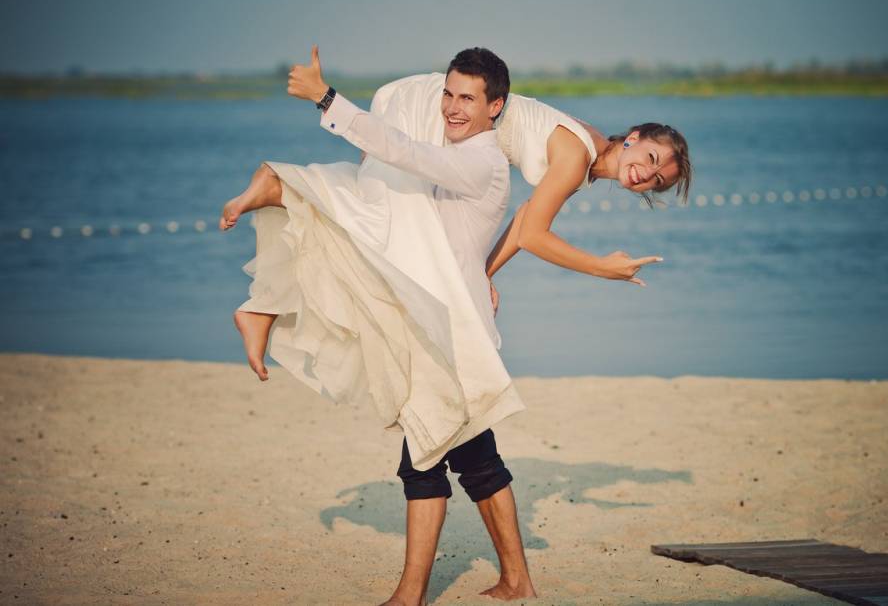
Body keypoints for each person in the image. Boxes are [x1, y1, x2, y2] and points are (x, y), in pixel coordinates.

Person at [220, 47, 536, 603]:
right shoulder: (454, 149)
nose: (453, 107)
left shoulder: (480, 164)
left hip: (450, 339)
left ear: (496, 106)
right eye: (448, 94)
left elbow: (403, 150)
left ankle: (413, 595)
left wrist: (326, 98)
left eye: (467, 99)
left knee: (427, 463)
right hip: (433, 327)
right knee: (475, 460)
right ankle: (516, 581)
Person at [355, 73, 693, 294]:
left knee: (415, 250)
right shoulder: (578, 156)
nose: (646, 175)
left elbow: (524, 221)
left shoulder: (589, 159)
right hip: (437, 110)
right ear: (633, 138)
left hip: (455, 125)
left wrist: (484, 276)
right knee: (389, 229)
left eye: (657, 180)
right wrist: (600, 267)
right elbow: (533, 236)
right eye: (651, 158)